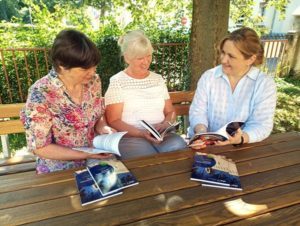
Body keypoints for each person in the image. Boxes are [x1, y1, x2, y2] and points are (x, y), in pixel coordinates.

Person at [20, 29, 114, 174]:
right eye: (85, 68)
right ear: (62, 65)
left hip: (95, 154)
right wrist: (85, 155)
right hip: (59, 165)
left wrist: (104, 128)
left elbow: (99, 114)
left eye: (95, 66)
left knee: (122, 187)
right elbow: (40, 147)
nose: (93, 72)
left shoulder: (93, 82)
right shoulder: (40, 93)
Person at [189, 27, 277, 148]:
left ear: (251, 59)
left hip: (240, 147)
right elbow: (197, 111)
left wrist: (241, 138)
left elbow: (262, 124)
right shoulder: (209, 77)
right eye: (223, 53)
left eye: (231, 56)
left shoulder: (264, 84)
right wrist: (201, 133)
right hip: (204, 145)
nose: (223, 60)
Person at [105, 30, 187, 159]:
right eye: (140, 58)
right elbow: (114, 120)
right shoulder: (117, 81)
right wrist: (141, 133)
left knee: (178, 149)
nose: (146, 61)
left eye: (148, 55)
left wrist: (165, 124)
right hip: (131, 137)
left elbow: (170, 112)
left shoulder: (158, 79)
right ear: (127, 58)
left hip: (162, 135)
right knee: (147, 159)